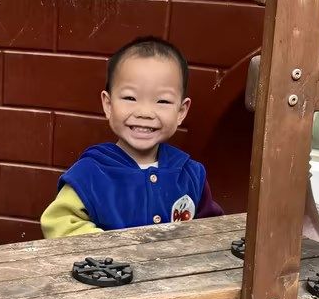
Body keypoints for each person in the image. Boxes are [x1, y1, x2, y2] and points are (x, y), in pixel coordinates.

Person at [41, 36, 222, 237]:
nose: (144, 112)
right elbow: (59, 222)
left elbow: (212, 229)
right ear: (108, 104)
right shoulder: (89, 173)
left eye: (162, 101)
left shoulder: (190, 174)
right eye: (130, 98)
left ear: (181, 111)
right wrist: (112, 247)